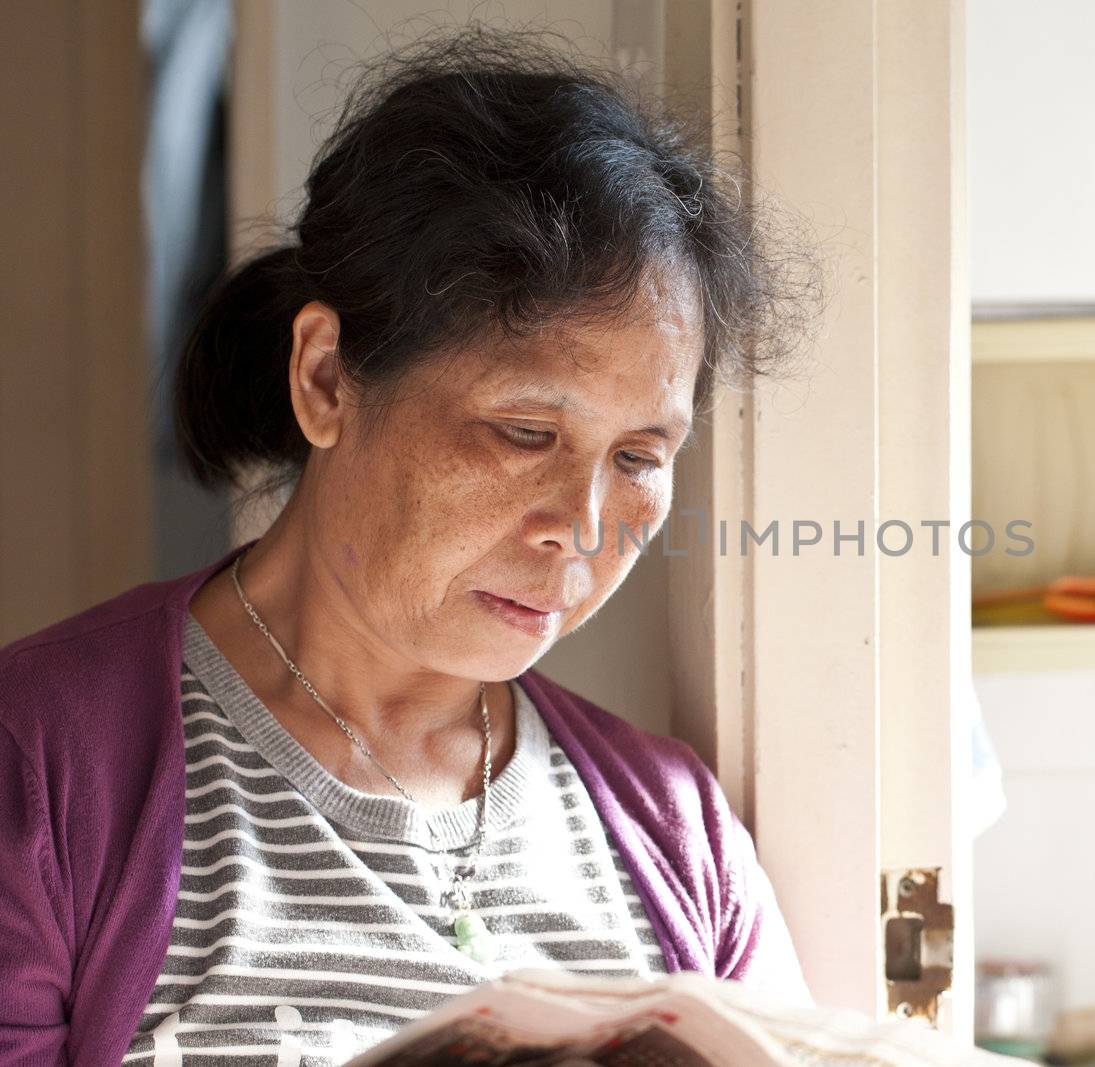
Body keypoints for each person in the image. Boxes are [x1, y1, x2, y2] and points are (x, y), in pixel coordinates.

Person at [0, 26, 814, 1066]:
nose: (584, 520)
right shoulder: (40, 764)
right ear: (327, 377)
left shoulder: (673, 829)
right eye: (525, 433)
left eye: (640, 457)